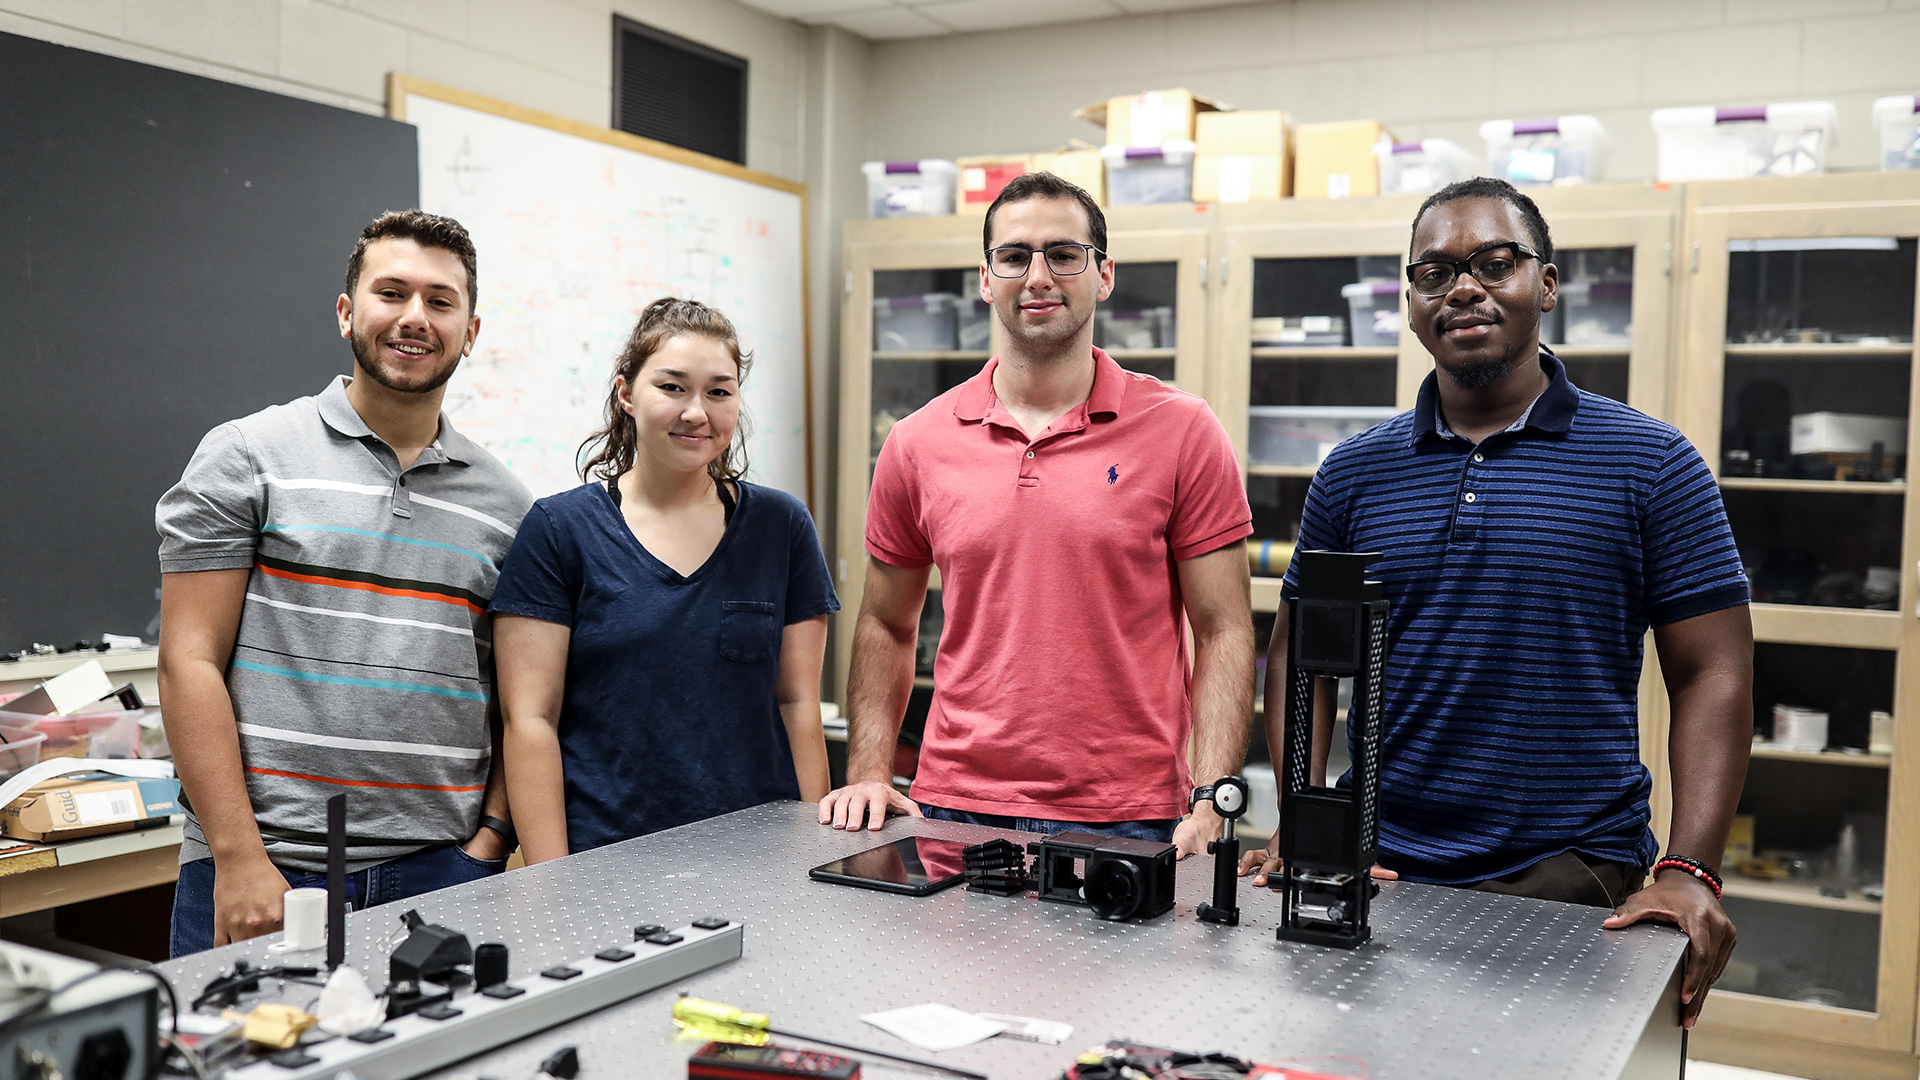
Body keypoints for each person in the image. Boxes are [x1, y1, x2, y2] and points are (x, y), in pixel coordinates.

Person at [1239, 177, 1751, 1026]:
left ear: (1545, 286)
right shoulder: (1353, 473)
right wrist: (1308, 814)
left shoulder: (1652, 463)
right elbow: (1299, 655)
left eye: (1495, 263)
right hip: (1382, 864)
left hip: (1571, 874)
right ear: (1410, 304)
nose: (1464, 287)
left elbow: (1714, 674)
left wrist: (1690, 869)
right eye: (1435, 272)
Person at [817, 172, 1256, 856]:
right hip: (953, 810)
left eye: (1064, 254)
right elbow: (883, 620)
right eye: (1015, 256)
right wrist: (869, 773)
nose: (1039, 276)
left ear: (1103, 275)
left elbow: (1224, 629)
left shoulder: (1183, 430)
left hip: (1127, 816)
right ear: (986, 280)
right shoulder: (917, 442)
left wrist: (1211, 800)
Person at [157, 210, 532, 956]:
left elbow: (520, 704)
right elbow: (186, 660)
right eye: (391, 292)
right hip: (264, 873)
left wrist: (488, 844)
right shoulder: (246, 457)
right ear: (346, 312)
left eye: (440, 300)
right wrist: (236, 858)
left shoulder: (508, 508)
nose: (414, 318)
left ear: (472, 330)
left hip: (439, 878)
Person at [490, 298, 837, 862]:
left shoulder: (782, 526)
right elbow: (530, 721)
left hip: (761, 858)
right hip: (607, 861)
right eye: (672, 388)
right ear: (626, 393)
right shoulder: (559, 530)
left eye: (719, 391)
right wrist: (551, 881)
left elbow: (797, 703)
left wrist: (815, 856)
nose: (697, 412)